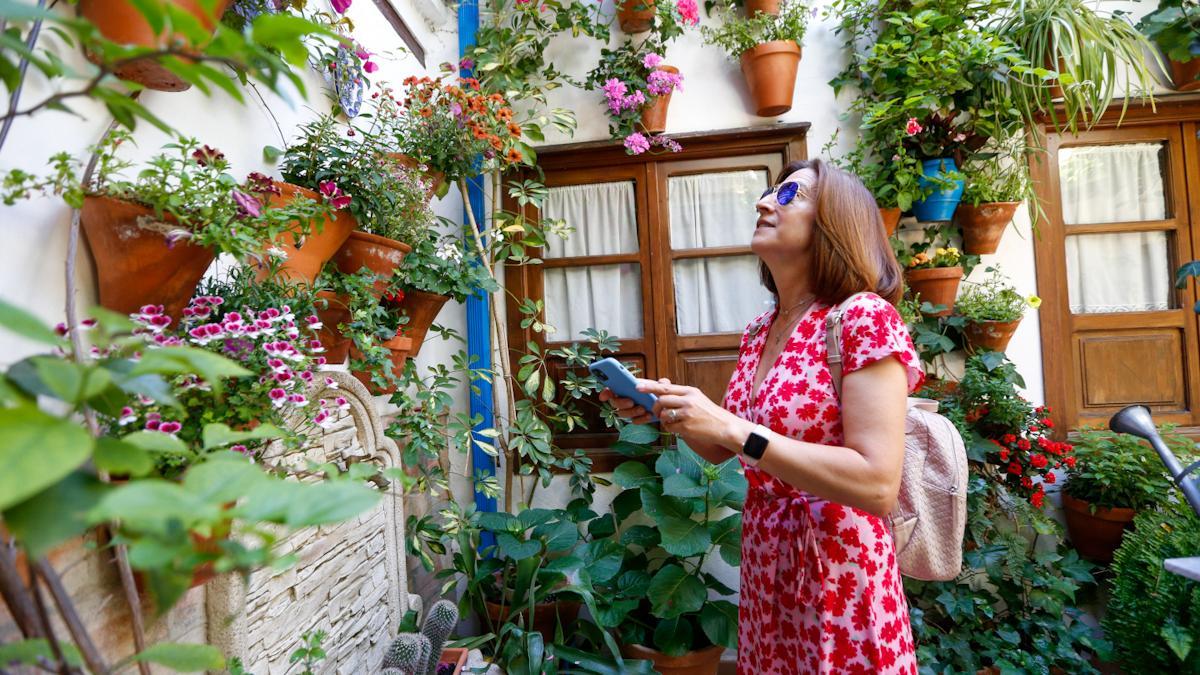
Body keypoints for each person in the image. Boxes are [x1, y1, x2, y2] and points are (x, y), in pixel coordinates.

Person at [600, 159, 922, 673]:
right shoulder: (762, 329)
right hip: (768, 560)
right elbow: (731, 445)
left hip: (838, 570)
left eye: (790, 193)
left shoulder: (862, 317)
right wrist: (670, 411)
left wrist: (732, 427)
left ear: (833, 223)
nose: (765, 201)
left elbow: (877, 483)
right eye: (771, 191)